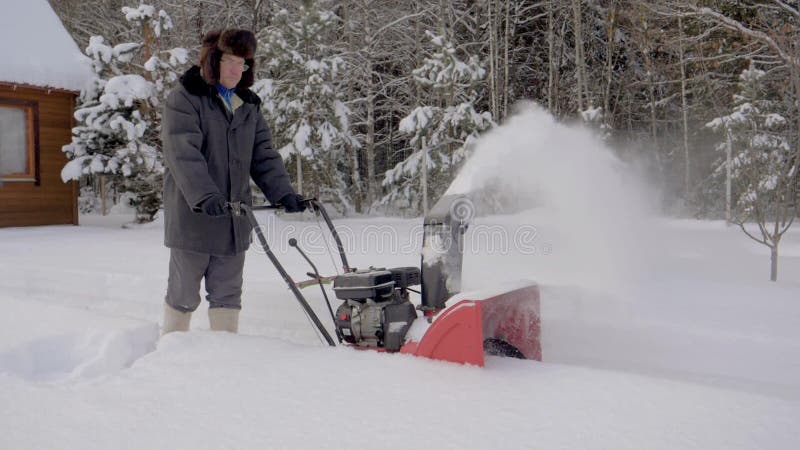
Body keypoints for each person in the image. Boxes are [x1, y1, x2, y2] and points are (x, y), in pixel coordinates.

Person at [160, 29, 305, 335]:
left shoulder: (247, 105)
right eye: (229, 61)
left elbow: (263, 155)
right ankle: (171, 353)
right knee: (184, 294)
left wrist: (284, 193)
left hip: (234, 223)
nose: (236, 70)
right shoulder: (185, 98)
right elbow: (182, 152)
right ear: (212, 61)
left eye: (242, 64)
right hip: (194, 219)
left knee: (227, 296)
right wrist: (205, 196)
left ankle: (225, 360)